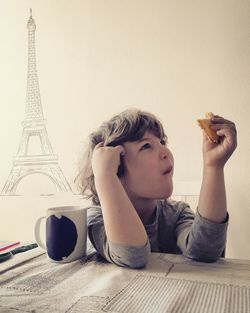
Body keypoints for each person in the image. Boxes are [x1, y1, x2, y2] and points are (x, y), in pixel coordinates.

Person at [76, 109, 237, 268]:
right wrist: (105, 175)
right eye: (146, 146)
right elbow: (132, 256)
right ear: (116, 167)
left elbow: (205, 252)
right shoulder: (97, 218)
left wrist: (213, 166)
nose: (165, 152)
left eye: (162, 142)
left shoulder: (176, 213)